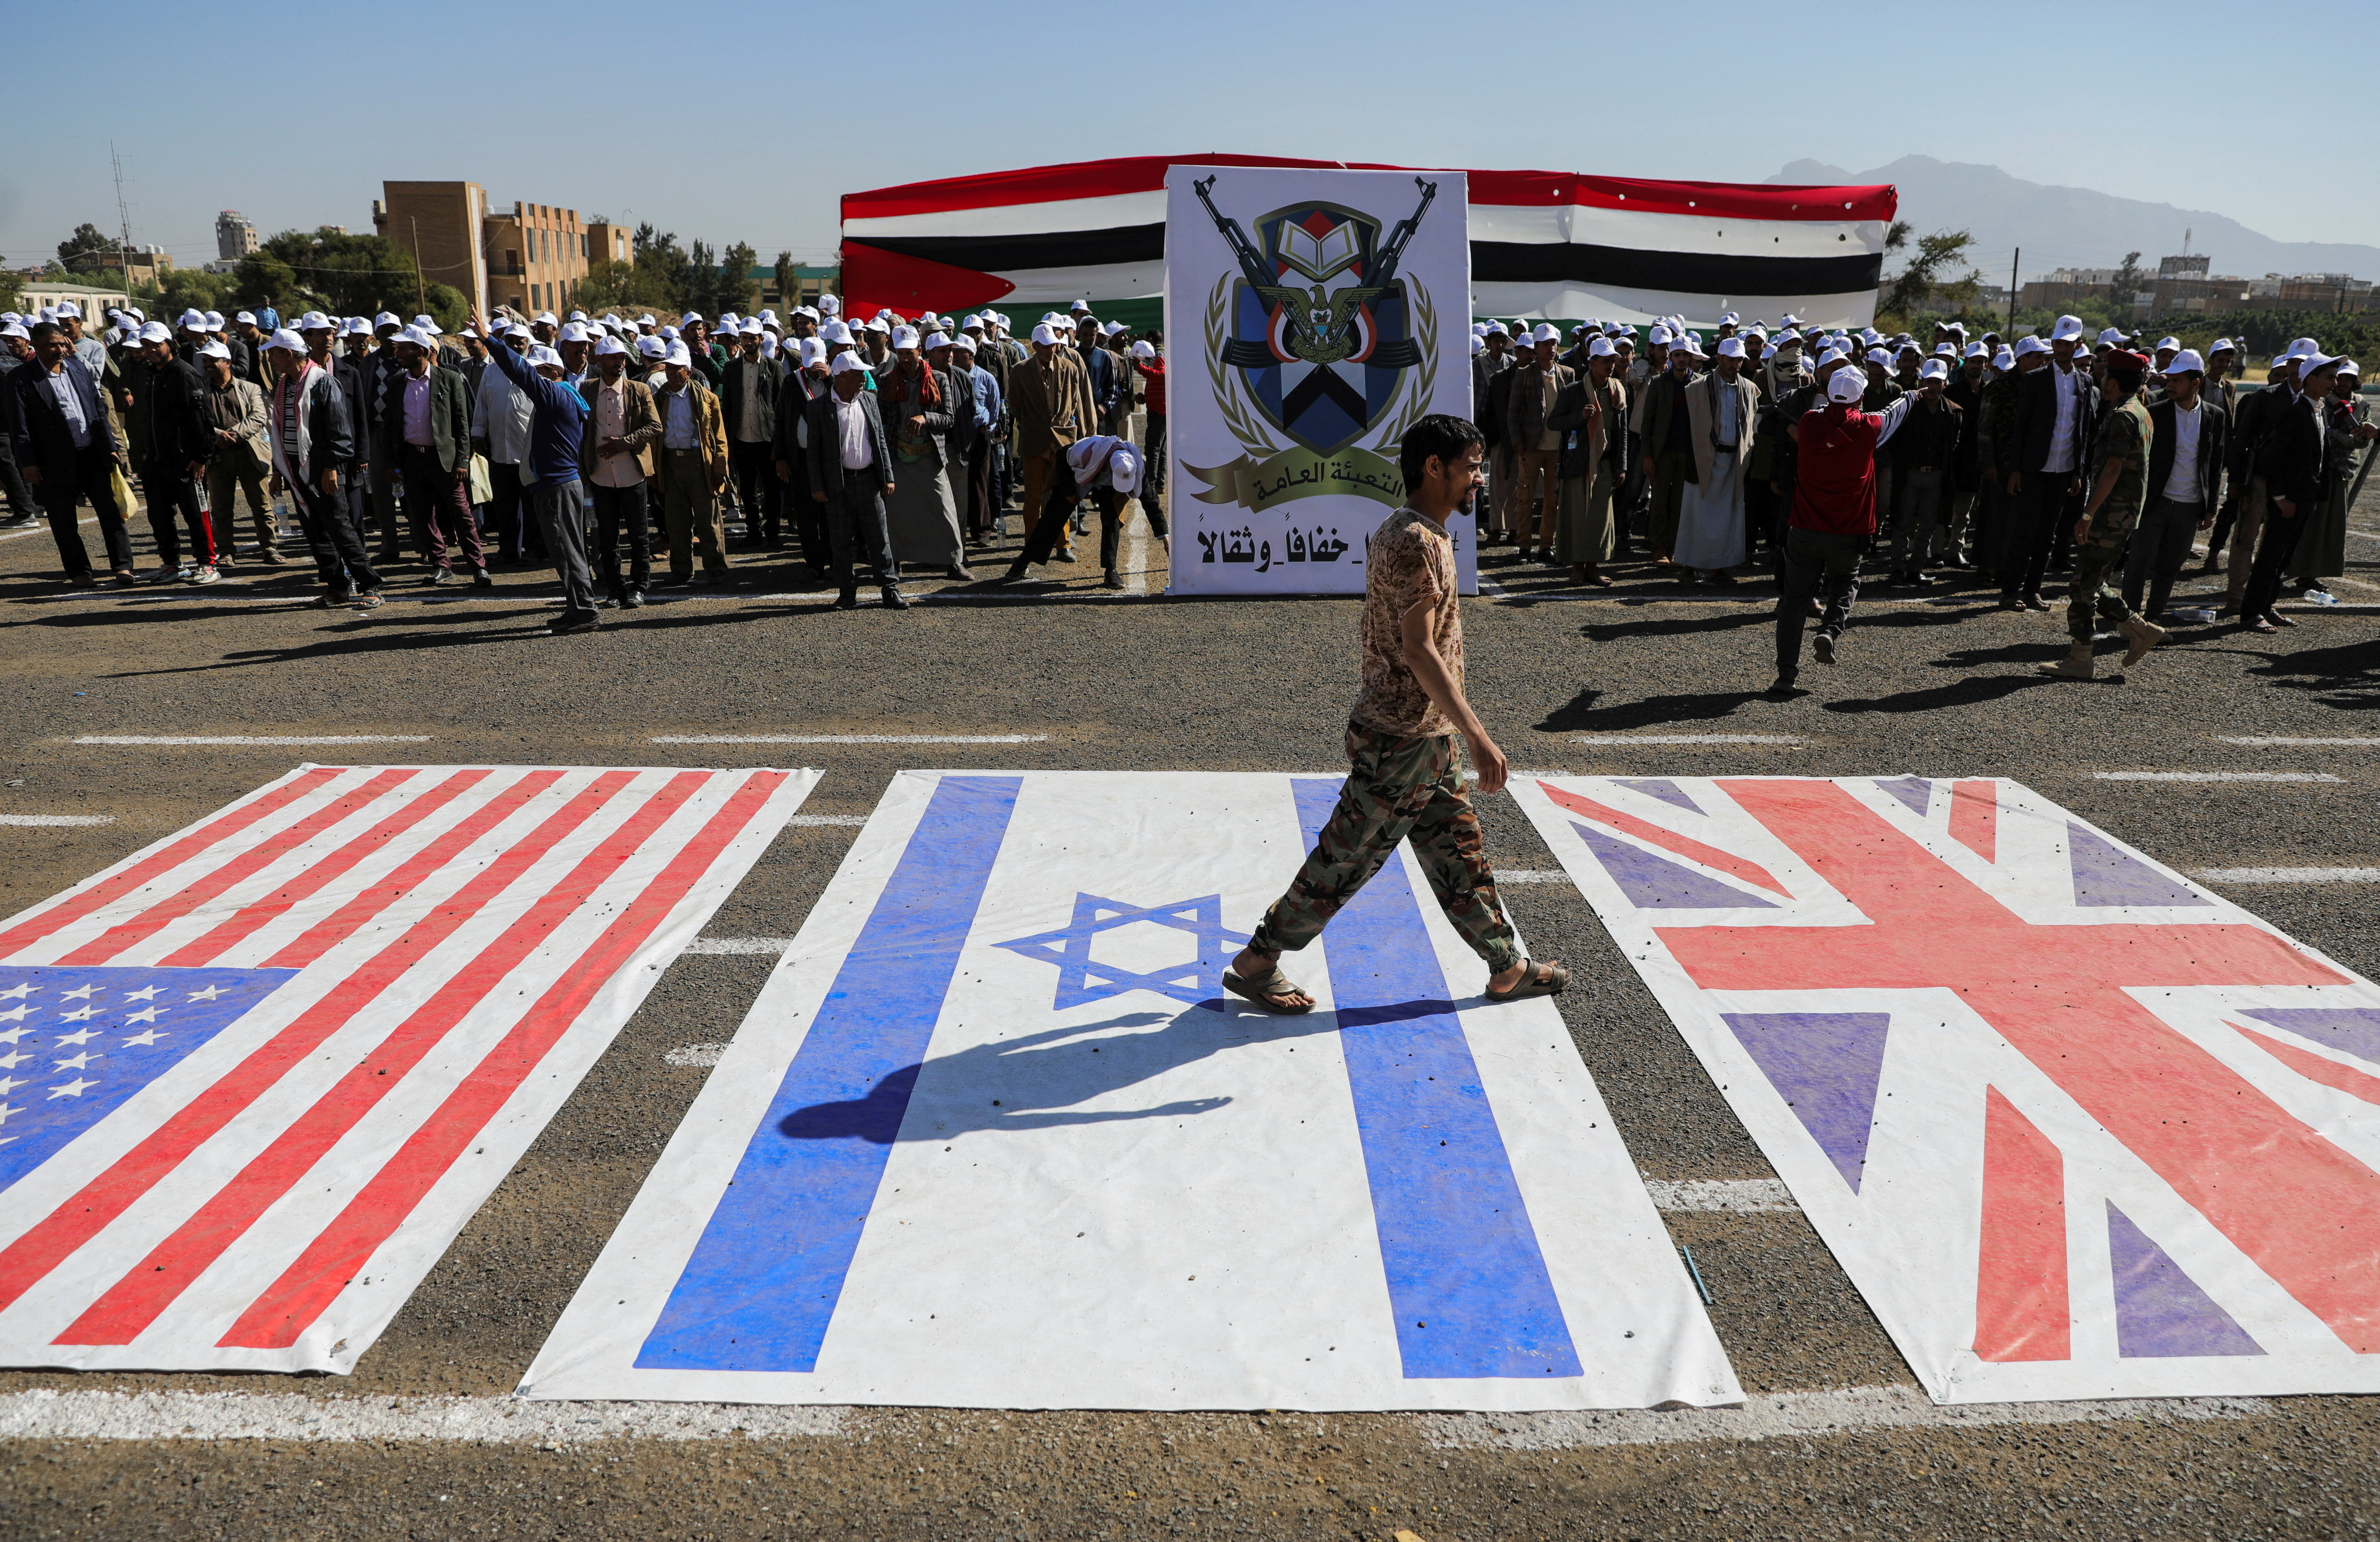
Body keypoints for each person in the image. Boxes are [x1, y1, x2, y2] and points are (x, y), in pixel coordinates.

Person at [1222, 413, 1566, 1015]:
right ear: (1434, 467)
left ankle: (1507, 963)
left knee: (1460, 850)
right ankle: (1258, 960)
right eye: (1471, 466)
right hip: (1400, 739)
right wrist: (1479, 736)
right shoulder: (1413, 541)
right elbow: (1418, 648)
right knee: (1345, 857)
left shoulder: (1416, 533)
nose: (1478, 479)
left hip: (1425, 740)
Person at [1767, 367, 1916, 696]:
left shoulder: (1809, 422)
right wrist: (1911, 395)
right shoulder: (1869, 427)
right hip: (1849, 531)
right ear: (1861, 397)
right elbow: (1894, 412)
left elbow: (1820, 414)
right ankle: (1831, 630)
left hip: (1805, 529)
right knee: (1847, 582)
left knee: (1794, 602)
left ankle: (1786, 676)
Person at [2039, 350, 2168, 680]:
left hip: (2111, 515)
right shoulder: (2141, 412)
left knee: (2083, 586)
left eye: (2104, 376)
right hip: (2122, 515)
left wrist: (2088, 513)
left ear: (2112, 382)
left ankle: (2081, 658)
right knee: (2092, 582)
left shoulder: (2122, 416)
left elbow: (2113, 467)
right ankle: (2139, 629)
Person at [470, 309, 596, 634]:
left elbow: (519, 371)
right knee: (564, 549)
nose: (533, 379)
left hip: (556, 487)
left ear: (552, 373)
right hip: (557, 485)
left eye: (539, 371)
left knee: (567, 549)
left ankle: (584, 610)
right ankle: (577, 607)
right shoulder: (563, 396)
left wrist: (490, 340)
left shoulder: (554, 396)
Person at [2240, 354, 2375, 634]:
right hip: (2286, 501)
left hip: (2303, 500)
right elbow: (2274, 459)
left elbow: (2319, 458)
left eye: (2336, 377)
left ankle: (2267, 606)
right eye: (2329, 377)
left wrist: (2315, 497)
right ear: (2310, 379)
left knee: (2285, 558)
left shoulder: (2318, 409)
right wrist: (2280, 498)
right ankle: (2252, 612)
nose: (2335, 383)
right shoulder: (2295, 411)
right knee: (2270, 556)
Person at [7, 320, 134, 588]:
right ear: (36, 346)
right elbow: (20, 426)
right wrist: (28, 463)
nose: (60, 349)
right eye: (52, 345)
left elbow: (97, 409)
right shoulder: (20, 379)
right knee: (64, 520)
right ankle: (80, 572)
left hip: (93, 454)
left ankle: (122, 568)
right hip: (54, 461)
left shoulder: (78, 368)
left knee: (111, 512)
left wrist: (110, 446)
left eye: (62, 343)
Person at [262, 328, 381, 609]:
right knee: (315, 532)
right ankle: (336, 587)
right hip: (295, 470)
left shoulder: (321, 383)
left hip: (321, 469)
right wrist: (279, 471)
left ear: (288, 354)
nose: (271, 359)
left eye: (274, 354)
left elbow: (340, 432)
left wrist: (331, 468)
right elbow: (281, 431)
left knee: (341, 528)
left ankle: (370, 585)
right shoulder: (284, 385)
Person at [1998, 316, 2099, 611]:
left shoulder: (2086, 382)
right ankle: (2010, 592)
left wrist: (2078, 472)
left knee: (2048, 536)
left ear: (2078, 346)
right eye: (2058, 343)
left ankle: (2033, 591)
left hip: (2064, 470)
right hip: (2034, 469)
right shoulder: (2035, 379)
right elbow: (2022, 427)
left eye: (2068, 344)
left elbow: (2083, 429)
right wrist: (2016, 469)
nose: (2062, 349)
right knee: (2024, 533)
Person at [2123, 349, 2228, 624]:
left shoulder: (2214, 416)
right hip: (2155, 503)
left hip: (2189, 507)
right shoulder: (2155, 412)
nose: (2169, 385)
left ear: (2196, 383)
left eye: (2177, 381)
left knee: (2169, 568)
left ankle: (2154, 619)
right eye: (2168, 380)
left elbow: (2214, 465)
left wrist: (2210, 508)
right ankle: (2130, 620)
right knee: (2138, 565)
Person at [381, 326, 487, 587]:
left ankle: (478, 567)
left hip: (446, 462)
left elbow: (463, 424)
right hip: (412, 461)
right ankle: (441, 564)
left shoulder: (449, 379)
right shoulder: (396, 383)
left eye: (404, 348)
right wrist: (393, 463)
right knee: (423, 516)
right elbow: (391, 425)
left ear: (422, 351)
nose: (399, 353)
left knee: (462, 515)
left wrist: (463, 459)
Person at [805, 351, 905, 610]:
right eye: (860, 373)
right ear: (843, 376)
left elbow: (880, 441)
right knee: (841, 541)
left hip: (870, 481)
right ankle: (847, 592)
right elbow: (813, 451)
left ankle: (890, 589)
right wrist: (817, 486)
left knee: (880, 538)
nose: (865, 377)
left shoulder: (870, 400)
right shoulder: (819, 407)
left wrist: (888, 477)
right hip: (839, 484)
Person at [876, 326, 970, 580]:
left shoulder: (939, 379)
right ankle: (894, 561)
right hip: (898, 457)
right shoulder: (885, 381)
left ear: (920, 352)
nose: (905, 359)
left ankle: (953, 561)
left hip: (929, 456)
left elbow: (949, 418)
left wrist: (925, 417)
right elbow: (881, 422)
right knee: (896, 513)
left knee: (943, 509)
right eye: (901, 353)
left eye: (910, 353)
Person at [578, 335, 663, 608]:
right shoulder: (587, 389)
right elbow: (581, 432)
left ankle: (639, 587)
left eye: (623, 358)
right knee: (607, 537)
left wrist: (622, 445)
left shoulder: (639, 390)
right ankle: (616, 590)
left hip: (632, 473)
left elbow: (655, 427)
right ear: (599, 360)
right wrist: (582, 470)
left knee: (639, 536)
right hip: (600, 475)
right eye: (614, 358)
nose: (620, 363)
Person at [133, 320, 220, 584]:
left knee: (196, 514)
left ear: (170, 344)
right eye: (146, 345)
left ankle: (208, 563)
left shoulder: (184, 374)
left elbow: (202, 418)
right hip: (157, 462)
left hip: (186, 461)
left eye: (156, 345)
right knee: (159, 516)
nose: (151, 350)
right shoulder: (150, 374)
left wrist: (201, 456)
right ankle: (172, 564)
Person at [1006, 322, 1095, 560]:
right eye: (1045, 347)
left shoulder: (1070, 367)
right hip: (1034, 441)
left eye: (1054, 346)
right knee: (1033, 497)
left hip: (1064, 441)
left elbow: (1077, 401)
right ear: (1034, 346)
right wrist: (1031, 424)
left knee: (1063, 496)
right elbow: (1014, 405)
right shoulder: (1020, 370)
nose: (1051, 350)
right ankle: (1032, 546)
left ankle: (1063, 544)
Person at [1673, 336, 1758, 586]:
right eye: (1731, 359)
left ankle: (1718, 569)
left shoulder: (1750, 389)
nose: (1735, 365)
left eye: (1739, 360)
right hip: (1704, 459)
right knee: (1695, 514)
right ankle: (1689, 566)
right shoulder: (1697, 388)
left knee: (1728, 517)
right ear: (1719, 359)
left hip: (1734, 460)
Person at [651, 339, 733, 588]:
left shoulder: (706, 399)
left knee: (708, 521)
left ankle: (716, 568)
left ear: (688, 370)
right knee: (677, 523)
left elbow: (719, 437)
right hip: (671, 466)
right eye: (669, 368)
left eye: (678, 368)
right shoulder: (659, 398)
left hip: (700, 465)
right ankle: (681, 570)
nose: (673, 373)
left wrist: (720, 468)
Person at [195, 337, 282, 567]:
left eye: (213, 361)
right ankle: (226, 552)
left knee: (262, 505)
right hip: (218, 458)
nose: (208, 365)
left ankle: (270, 548)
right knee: (222, 509)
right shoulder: (200, 391)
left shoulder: (251, 388)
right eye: (206, 361)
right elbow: (196, 419)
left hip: (249, 454)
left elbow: (258, 417)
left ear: (228, 362)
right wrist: (217, 435)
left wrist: (232, 434)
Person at [1548, 335, 1627, 586]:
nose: (1611, 365)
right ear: (1592, 362)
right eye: (1605, 361)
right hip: (1578, 463)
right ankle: (1577, 569)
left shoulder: (1618, 391)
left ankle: (1593, 569)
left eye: (1612, 360)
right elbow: (1554, 423)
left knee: (1598, 518)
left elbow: (1621, 432)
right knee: (1577, 517)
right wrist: (1579, 417)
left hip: (1604, 464)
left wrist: (1621, 465)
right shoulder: (1573, 391)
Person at [1877, 358, 1962, 587]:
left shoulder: (1953, 412)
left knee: (1927, 525)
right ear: (1922, 382)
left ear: (1944, 383)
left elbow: (1953, 445)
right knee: (1902, 522)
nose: (1932, 387)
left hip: (1935, 475)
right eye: (1929, 382)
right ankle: (1897, 567)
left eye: (1937, 382)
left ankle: (1916, 568)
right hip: (1910, 474)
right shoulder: (1909, 408)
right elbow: (1894, 440)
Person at [1502, 324, 1573, 563]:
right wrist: (1519, 444)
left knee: (1553, 500)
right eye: (1545, 344)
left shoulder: (1567, 374)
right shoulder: (1524, 374)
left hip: (1557, 447)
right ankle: (1524, 547)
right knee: (1525, 498)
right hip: (1531, 447)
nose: (1551, 348)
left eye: (1553, 343)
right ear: (1536, 348)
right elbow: (1513, 413)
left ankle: (1546, 545)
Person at [472, 322, 540, 563]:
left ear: (528, 346)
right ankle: (509, 549)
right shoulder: (491, 371)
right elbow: (482, 405)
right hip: (500, 450)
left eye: (519, 342)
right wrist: (478, 435)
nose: (513, 346)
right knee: (505, 504)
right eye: (509, 341)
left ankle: (534, 550)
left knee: (531, 505)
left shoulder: (533, 371)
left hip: (529, 451)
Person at [1631, 335, 1698, 565]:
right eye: (1677, 355)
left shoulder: (1699, 384)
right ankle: (1658, 549)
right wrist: (1648, 456)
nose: (1681, 359)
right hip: (1663, 454)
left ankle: (1675, 549)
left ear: (1691, 357)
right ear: (1671, 356)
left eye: (1685, 355)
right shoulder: (1659, 383)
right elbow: (1647, 423)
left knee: (1681, 504)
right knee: (1659, 503)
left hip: (1688, 454)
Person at [772, 337, 834, 582]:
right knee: (806, 515)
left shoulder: (837, 381)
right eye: (809, 364)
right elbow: (780, 420)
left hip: (830, 460)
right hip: (800, 458)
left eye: (817, 363)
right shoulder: (791, 382)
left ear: (826, 360)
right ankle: (814, 563)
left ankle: (833, 560)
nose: (813, 369)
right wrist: (781, 457)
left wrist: (830, 378)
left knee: (830, 515)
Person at [720, 320, 781, 550]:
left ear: (761, 340)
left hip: (767, 440)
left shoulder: (774, 367)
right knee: (747, 490)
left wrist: (779, 443)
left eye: (752, 338)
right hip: (742, 438)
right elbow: (728, 407)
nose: (748, 342)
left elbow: (780, 407)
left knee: (771, 490)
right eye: (744, 338)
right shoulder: (732, 369)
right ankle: (754, 532)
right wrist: (728, 441)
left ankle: (773, 534)